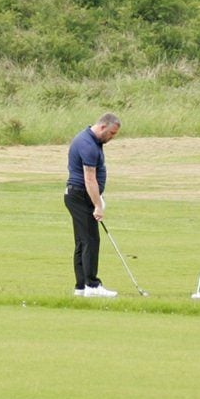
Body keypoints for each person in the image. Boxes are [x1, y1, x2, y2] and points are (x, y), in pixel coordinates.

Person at [64, 112, 121, 298]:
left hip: (79, 195)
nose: (111, 138)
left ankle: (81, 287)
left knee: (82, 241)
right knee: (90, 240)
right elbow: (89, 179)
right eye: (111, 133)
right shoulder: (88, 144)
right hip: (81, 195)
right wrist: (97, 205)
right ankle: (92, 285)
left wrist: (97, 199)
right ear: (103, 126)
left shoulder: (91, 140)